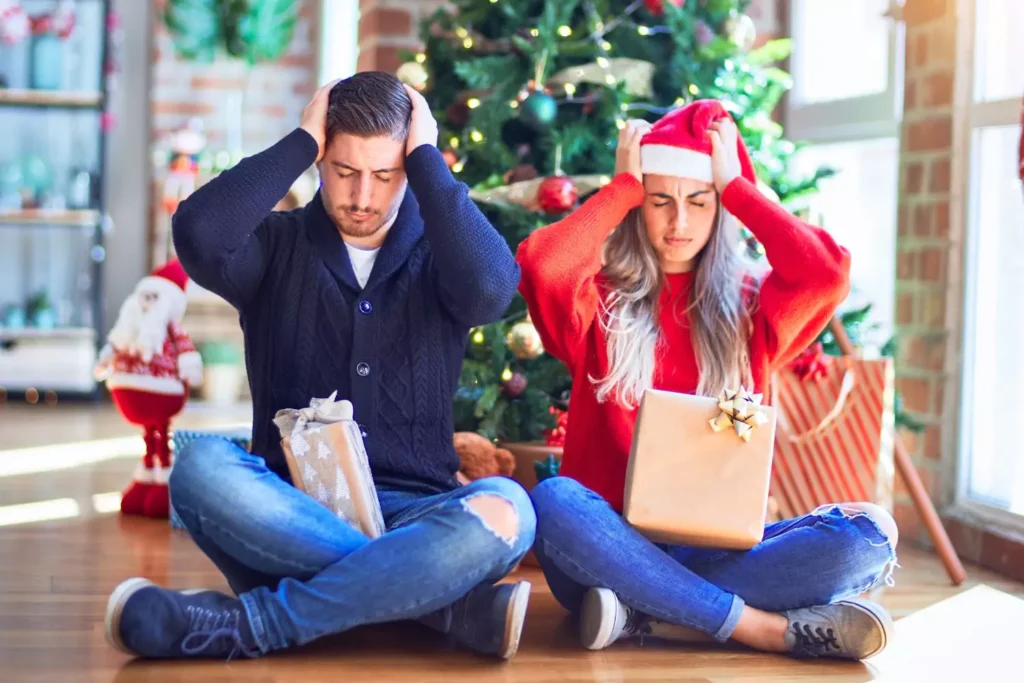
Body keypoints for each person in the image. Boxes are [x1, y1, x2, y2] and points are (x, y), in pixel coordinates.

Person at [103, 72, 535, 661]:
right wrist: (303, 139)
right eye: (343, 170)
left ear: (408, 169)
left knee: (510, 509)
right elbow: (199, 233)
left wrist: (429, 158)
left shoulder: (442, 257)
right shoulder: (274, 246)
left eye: (385, 176)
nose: (363, 196)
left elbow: (492, 289)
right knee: (200, 467)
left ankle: (256, 624)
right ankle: (440, 605)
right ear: (320, 162)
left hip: (418, 508)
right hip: (289, 510)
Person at [516, 100, 899, 661]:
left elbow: (827, 273)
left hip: (716, 551)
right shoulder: (598, 300)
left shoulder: (753, 309)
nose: (679, 223)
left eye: (700, 202)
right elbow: (542, 264)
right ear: (638, 204)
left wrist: (742, 190)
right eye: (659, 201)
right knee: (553, 502)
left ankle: (652, 615)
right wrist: (622, 186)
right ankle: (756, 627)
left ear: (721, 207)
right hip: (610, 544)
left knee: (870, 536)